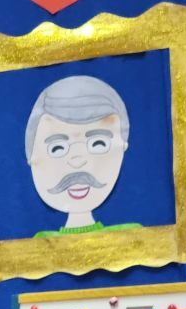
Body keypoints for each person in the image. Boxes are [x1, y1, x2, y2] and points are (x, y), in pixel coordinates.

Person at [25, 75, 143, 236]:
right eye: (57, 148)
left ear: (122, 149)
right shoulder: (39, 243)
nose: (77, 161)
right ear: (31, 156)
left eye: (98, 144)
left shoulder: (132, 235)